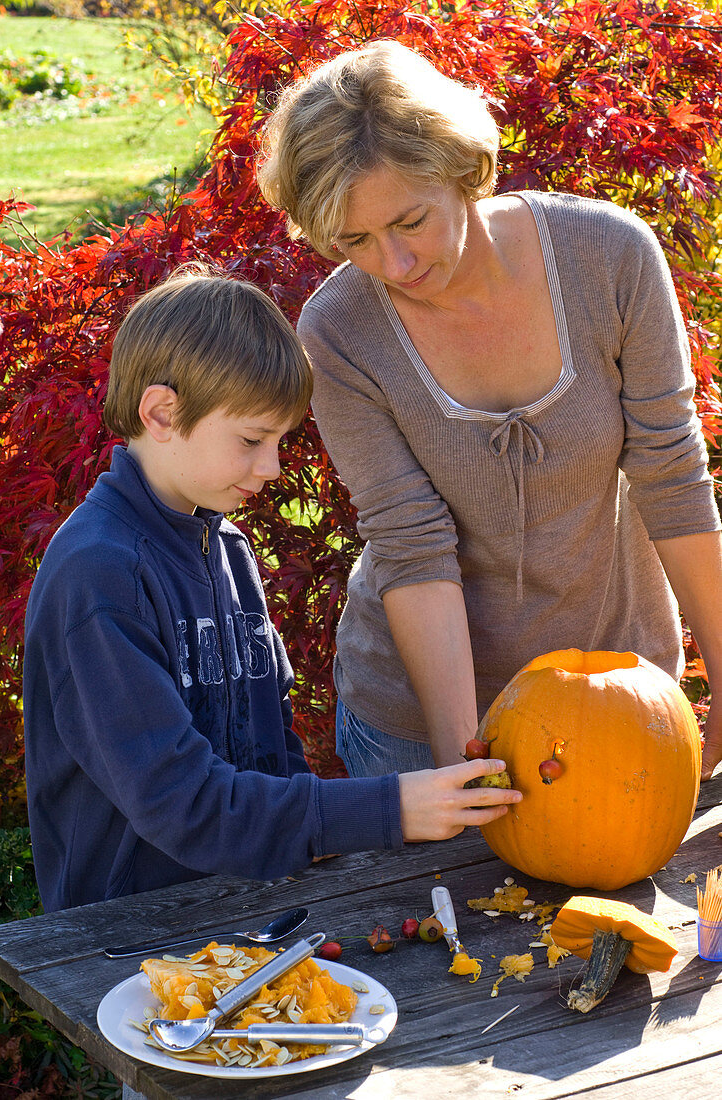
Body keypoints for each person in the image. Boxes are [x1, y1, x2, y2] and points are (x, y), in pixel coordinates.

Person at [256, 40, 722, 782]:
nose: (395, 266)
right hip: (412, 721)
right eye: (354, 241)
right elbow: (409, 539)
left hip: (618, 694)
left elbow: (671, 473)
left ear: (459, 167)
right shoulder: (338, 331)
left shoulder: (607, 258)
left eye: (410, 221)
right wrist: (459, 757)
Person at [22, 266, 519, 914]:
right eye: (253, 439)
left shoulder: (226, 549)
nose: (271, 467)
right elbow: (184, 804)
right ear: (162, 413)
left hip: (248, 911)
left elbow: (271, 747)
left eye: (279, 440)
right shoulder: (98, 578)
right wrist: (391, 806)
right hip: (128, 941)